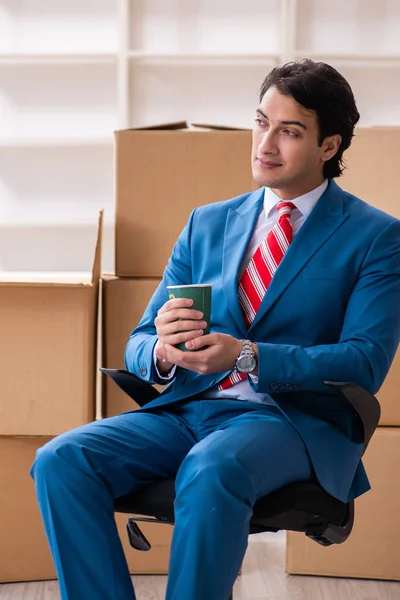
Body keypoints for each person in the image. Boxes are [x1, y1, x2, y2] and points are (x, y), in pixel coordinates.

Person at [31, 59, 400, 600]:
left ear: (329, 146)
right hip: (190, 409)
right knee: (61, 460)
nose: (265, 144)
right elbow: (137, 344)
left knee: (212, 466)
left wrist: (246, 355)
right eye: (260, 123)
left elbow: (364, 362)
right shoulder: (209, 222)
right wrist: (164, 349)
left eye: (289, 131)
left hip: (289, 420)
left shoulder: (376, 237)